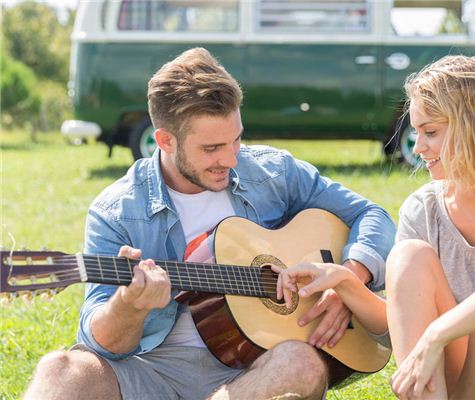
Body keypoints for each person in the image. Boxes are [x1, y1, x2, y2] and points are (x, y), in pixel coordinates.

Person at [23, 47, 396, 400]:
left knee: (301, 365)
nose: (231, 159)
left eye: (236, 140)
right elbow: (103, 344)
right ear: (165, 141)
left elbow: (371, 215)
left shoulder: (271, 172)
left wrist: (347, 278)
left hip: (252, 369)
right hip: (152, 368)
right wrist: (130, 306)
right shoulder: (117, 210)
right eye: (211, 149)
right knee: (61, 369)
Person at [277, 55, 475, 399]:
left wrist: (439, 333)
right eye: (416, 132)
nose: (418, 147)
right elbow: (402, 323)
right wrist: (346, 282)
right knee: (407, 256)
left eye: (431, 132)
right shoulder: (424, 208)